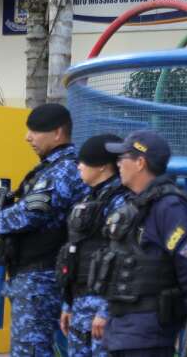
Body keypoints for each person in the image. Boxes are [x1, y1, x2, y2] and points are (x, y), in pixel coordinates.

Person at [0, 103, 89, 356]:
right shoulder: (49, 168)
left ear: (57, 133)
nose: (28, 137)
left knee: (30, 350)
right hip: (34, 272)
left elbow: (30, 214)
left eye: (35, 131)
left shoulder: (64, 168)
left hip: (42, 273)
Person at [98, 130, 187, 357]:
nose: (118, 164)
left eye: (122, 158)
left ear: (140, 163)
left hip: (148, 333)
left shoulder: (169, 207)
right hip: (122, 330)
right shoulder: (136, 204)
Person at [57, 134, 129, 357]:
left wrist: (106, 310)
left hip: (102, 306)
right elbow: (76, 250)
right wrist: (68, 304)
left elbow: (122, 257)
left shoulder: (121, 200)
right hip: (80, 301)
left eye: (84, 161)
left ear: (102, 167)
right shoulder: (89, 198)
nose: (79, 167)